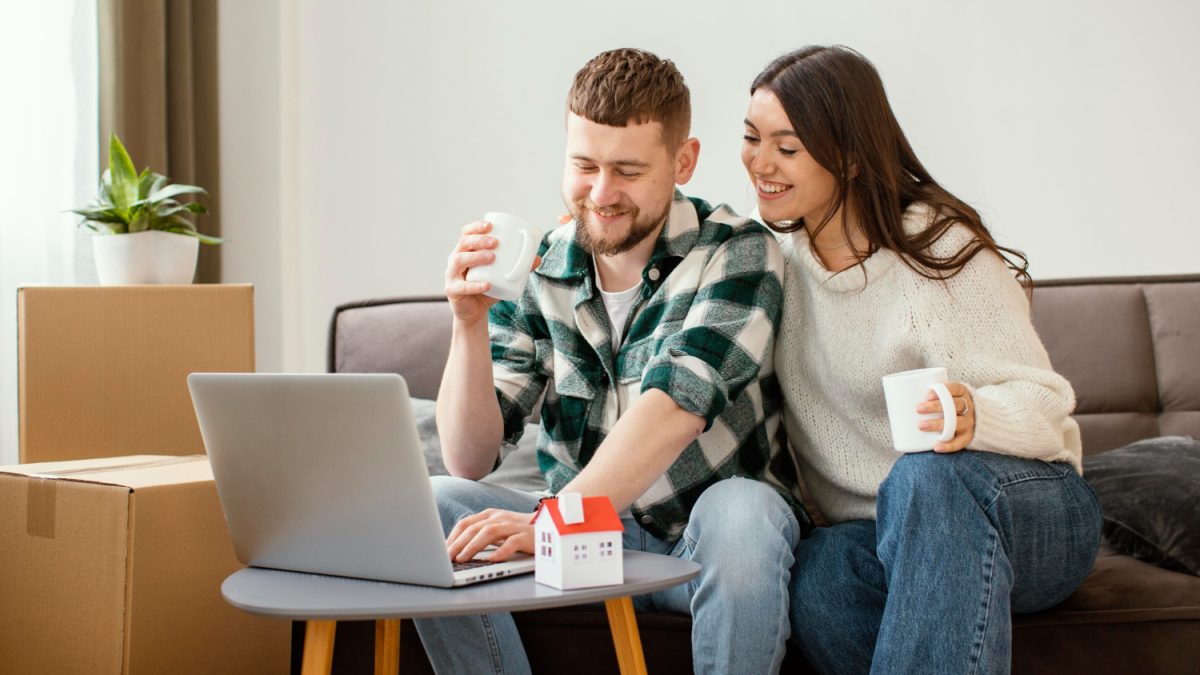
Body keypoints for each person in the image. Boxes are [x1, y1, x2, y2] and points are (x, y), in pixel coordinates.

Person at [416, 48, 810, 674]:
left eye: (627, 170)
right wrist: (466, 324)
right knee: (439, 500)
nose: (601, 194)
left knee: (745, 510)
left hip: (696, 539)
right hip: (582, 544)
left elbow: (676, 404)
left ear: (683, 162)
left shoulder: (739, 252)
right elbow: (470, 457)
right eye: (584, 166)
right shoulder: (544, 262)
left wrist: (557, 515)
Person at [740, 45, 1103, 674]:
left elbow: (1047, 407)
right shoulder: (772, 265)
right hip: (877, 536)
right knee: (818, 578)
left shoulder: (937, 249)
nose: (760, 164)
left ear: (850, 158)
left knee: (925, 477)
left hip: (1029, 512)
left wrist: (974, 416)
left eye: (787, 147)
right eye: (751, 139)